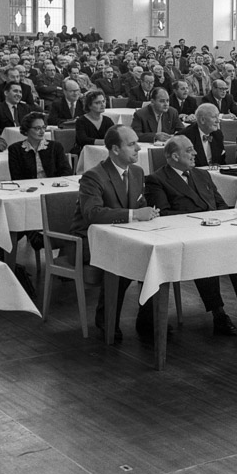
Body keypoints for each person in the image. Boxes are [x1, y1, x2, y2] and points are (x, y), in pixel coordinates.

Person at [143, 136, 237, 333]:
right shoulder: (156, 180)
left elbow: (220, 204)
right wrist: (201, 219)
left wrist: (227, 219)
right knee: (205, 253)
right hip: (186, 237)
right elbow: (163, 215)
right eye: (190, 150)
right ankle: (218, 313)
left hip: (217, 229)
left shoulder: (202, 175)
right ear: (175, 156)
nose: (195, 154)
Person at [69, 125, 161, 341]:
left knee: (155, 257)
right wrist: (135, 214)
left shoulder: (137, 172)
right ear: (114, 150)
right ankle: (107, 320)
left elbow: (140, 205)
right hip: (88, 241)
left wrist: (146, 213)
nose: (139, 148)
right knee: (124, 260)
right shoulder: (93, 176)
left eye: (137, 142)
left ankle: (147, 320)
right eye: (131, 144)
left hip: (125, 235)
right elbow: (92, 213)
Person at [8, 112, 70, 181]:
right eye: (37, 128)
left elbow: (66, 171)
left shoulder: (56, 146)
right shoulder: (15, 149)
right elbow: (16, 177)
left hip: (53, 186)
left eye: (43, 127)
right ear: (26, 130)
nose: (42, 131)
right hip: (28, 188)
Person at [74, 89, 114, 155]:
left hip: (104, 152)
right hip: (85, 153)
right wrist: (104, 142)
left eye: (103, 101)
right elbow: (82, 140)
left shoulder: (107, 120)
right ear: (89, 105)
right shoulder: (81, 121)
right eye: (97, 103)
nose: (102, 105)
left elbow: (114, 136)